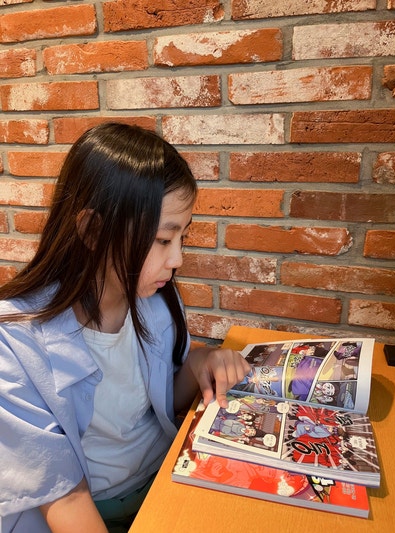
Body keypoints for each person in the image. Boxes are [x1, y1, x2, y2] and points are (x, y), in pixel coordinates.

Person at [0, 123, 250, 533]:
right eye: (163, 240)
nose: (177, 260)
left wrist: (202, 363)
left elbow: (161, 400)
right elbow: (64, 497)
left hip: (166, 479)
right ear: (93, 230)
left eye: (183, 238)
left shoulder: (155, 300)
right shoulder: (14, 341)